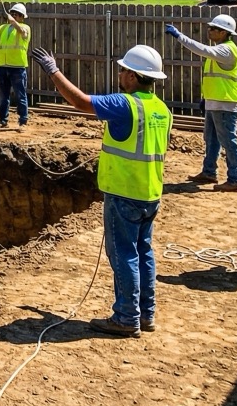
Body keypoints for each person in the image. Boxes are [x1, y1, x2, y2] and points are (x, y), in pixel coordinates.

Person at [31, 43, 171, 338]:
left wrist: (53, 71)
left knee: (123, 255)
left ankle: (125, 317)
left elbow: (81, 102)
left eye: (123, 70)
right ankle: (146, 314)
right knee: (143, 253)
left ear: (133, 76)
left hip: (123, 193)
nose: (120, 74)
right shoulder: (161, 109)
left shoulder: (125, 105)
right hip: (151, 193)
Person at [166, 14, 237, 191]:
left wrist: (180, 36)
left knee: (228, 141)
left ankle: (235, 179)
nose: (209, 30)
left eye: (213, 28)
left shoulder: (227, 50)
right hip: (214, 102)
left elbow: (201, 49)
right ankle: (209, 171)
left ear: (224, 32)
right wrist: (205, 98)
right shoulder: (220, 49)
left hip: (225, 103)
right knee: (211, 139)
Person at [0, 3, 30, 129]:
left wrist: (13, 22)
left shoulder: (25, 27)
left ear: (22, 16)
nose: (13, 16)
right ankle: (2, 120)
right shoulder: (3, 27)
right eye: (12, 14)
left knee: (20, 95)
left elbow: (22, 32)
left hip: (18, 67)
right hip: (3, 66)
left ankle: (23, 122)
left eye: (15, 14)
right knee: (3, 96)